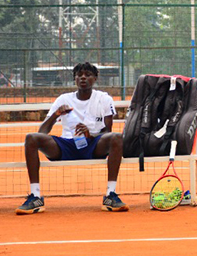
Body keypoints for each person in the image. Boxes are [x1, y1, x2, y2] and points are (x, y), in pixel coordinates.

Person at [16, 62, 128, 214]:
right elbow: (42, 132)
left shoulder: (104, 98)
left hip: (93, 145)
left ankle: (110, 195)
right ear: (74, 79)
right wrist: (56, 115)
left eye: (87, 75)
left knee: (116, 137)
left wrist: (91, 134)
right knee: (31, 138)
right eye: (79, 75)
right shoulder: (64, 99)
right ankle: (35, 197)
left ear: (95, 78)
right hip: (66, 145)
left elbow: (107, 130)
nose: (83, 77)